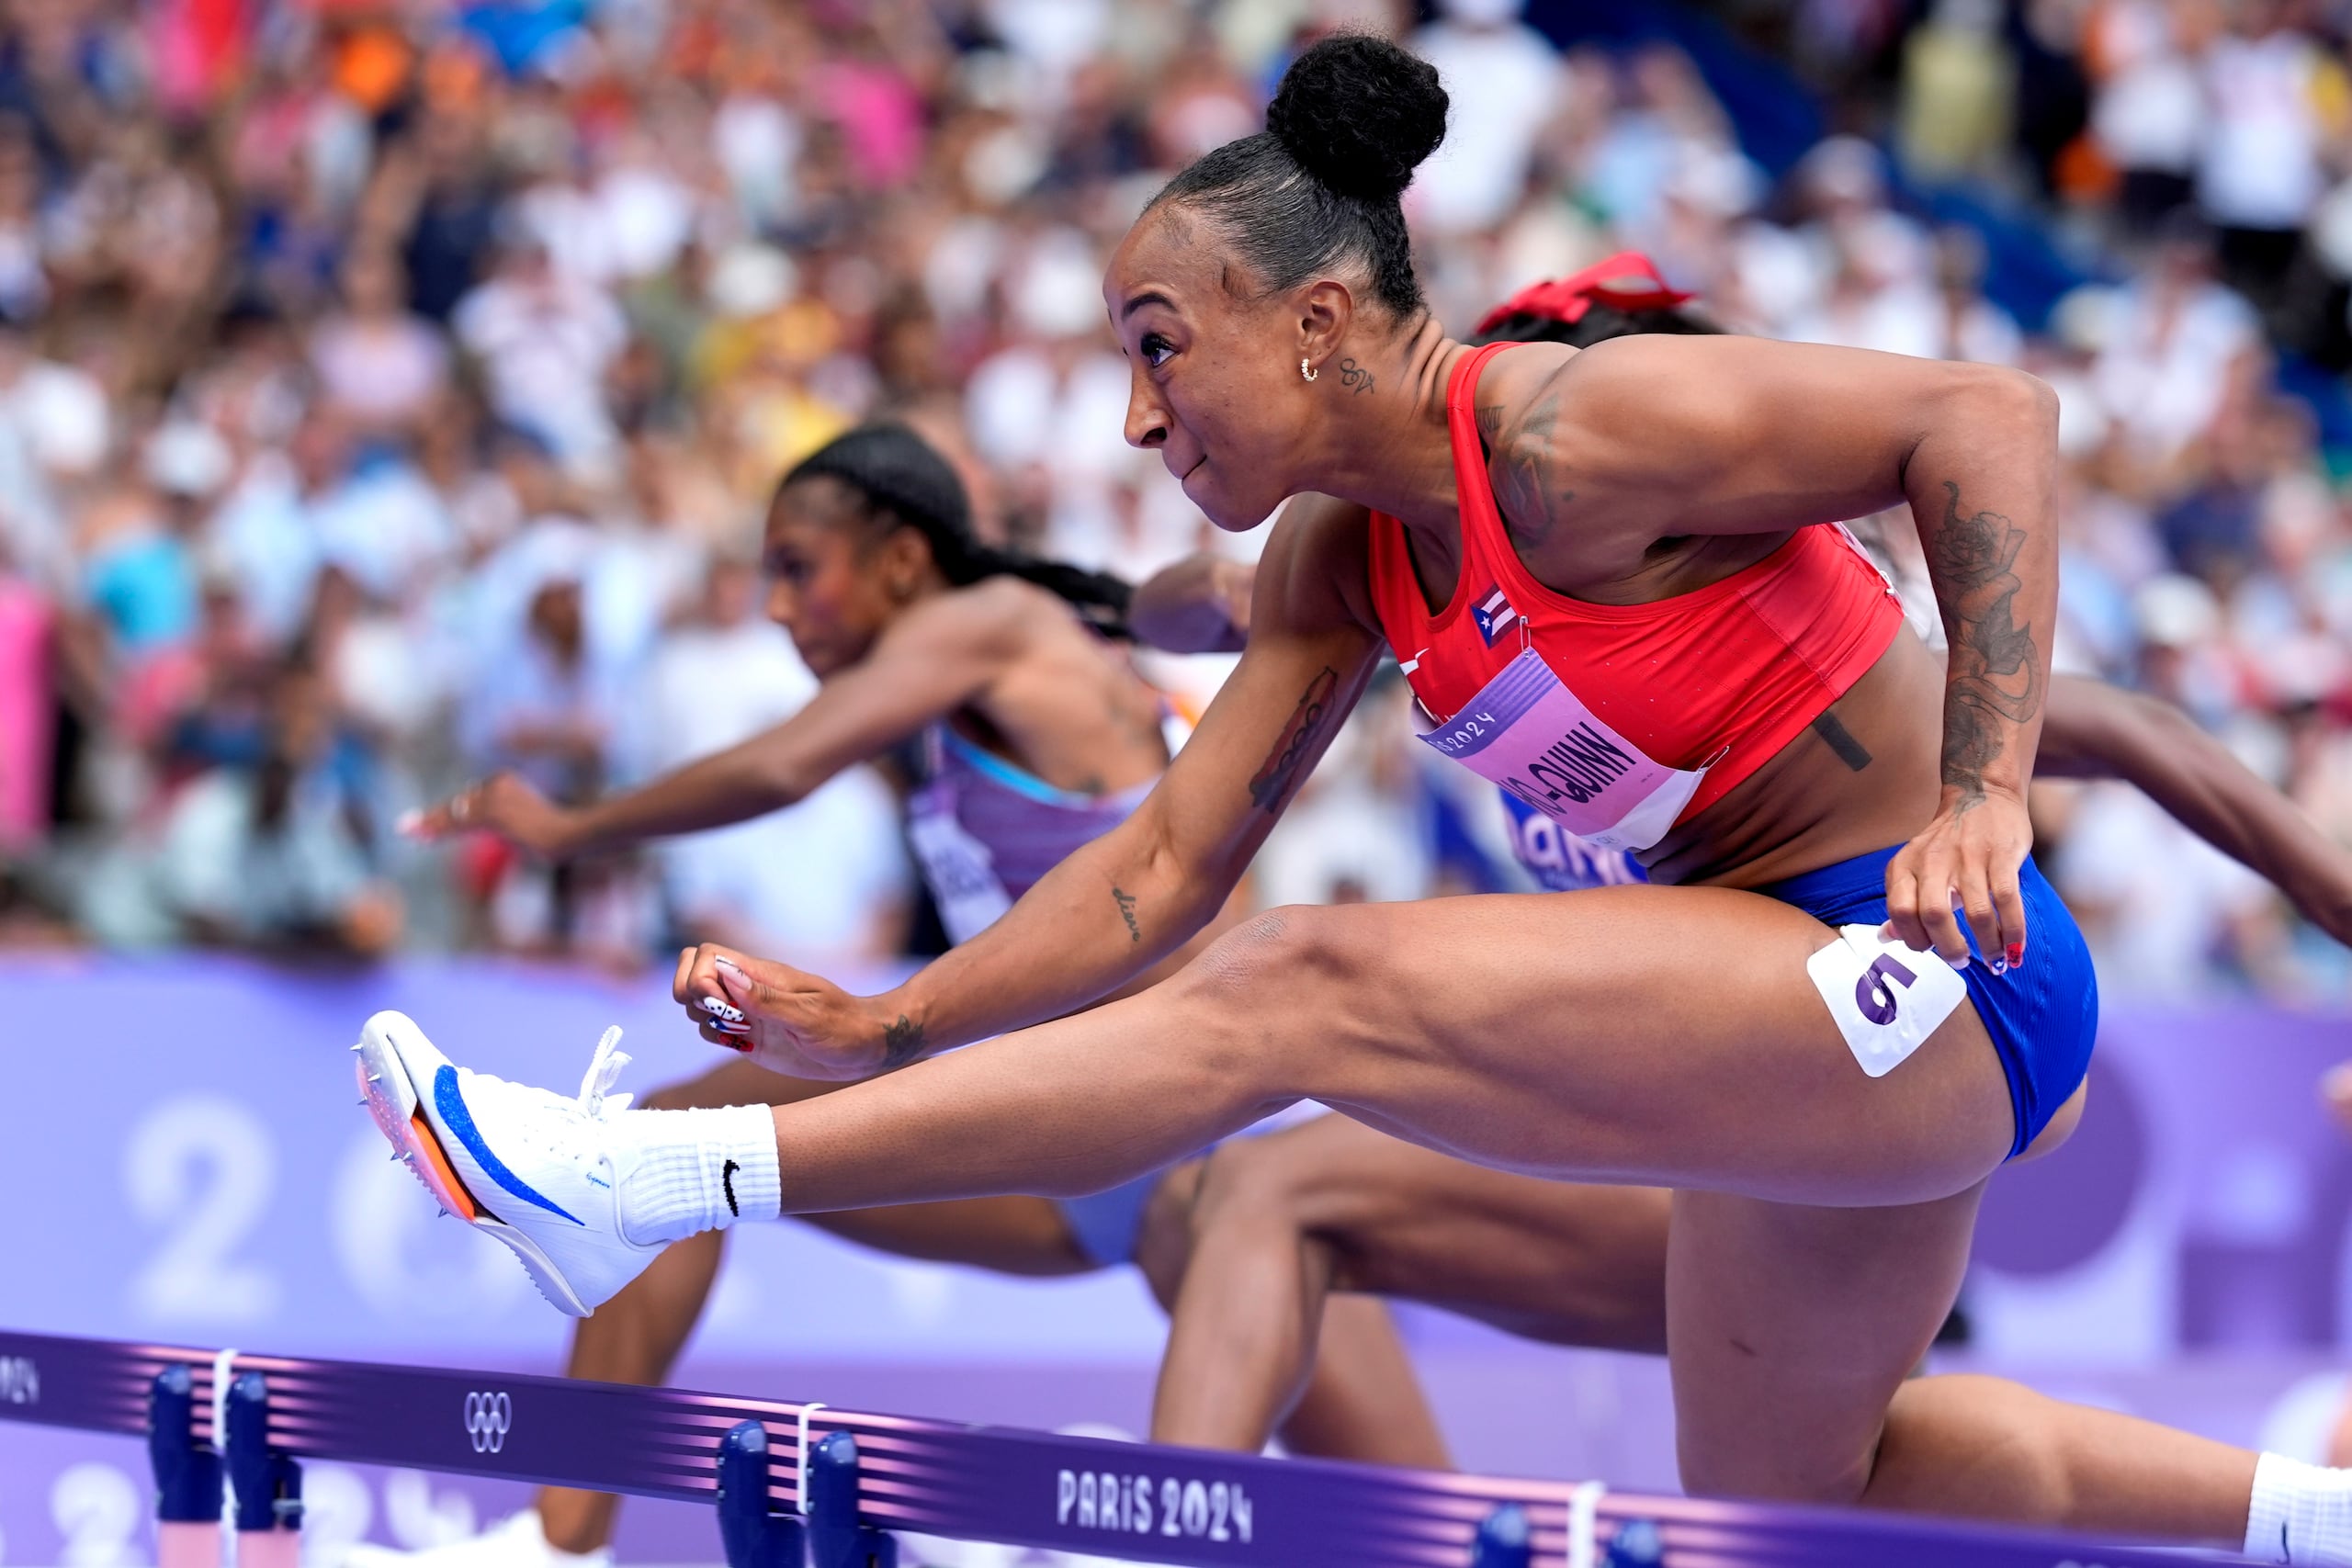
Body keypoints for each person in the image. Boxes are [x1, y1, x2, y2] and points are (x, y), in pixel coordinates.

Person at [356, 37, 2352, 1561]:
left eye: (1162, 351)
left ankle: (643, 1182)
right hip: (1790, 1011)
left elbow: (1978, 416)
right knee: (1800, 1482)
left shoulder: (1569, 430)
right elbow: (1153, 867)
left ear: (1316, 319)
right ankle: (2299, 1514)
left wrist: (1986, 788)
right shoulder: (1332, 568)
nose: (1137, 415)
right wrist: (880, 1023)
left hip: (1931, 961)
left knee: (1302, 992)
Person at [1130, 252, 2352, 1458]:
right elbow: (1256, 593)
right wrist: (1166, 599)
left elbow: (2132, 726)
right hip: (1666, 1117)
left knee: (1268, 1190)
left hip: (1808, 1101)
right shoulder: (1458, 605)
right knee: (1776, 1491)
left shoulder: (1790, 661)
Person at [364, 421, 1435, 1568]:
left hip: (1205, 1147)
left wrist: (571, 829)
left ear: (902, 564)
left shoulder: (983, 626)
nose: (779, 607)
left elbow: (783, 763)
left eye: (798, 567)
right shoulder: (1030, 642)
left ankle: (562, 1542)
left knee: (1428, 1517)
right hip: (1079, 1146)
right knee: (671, 1146)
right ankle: (559, 1540)